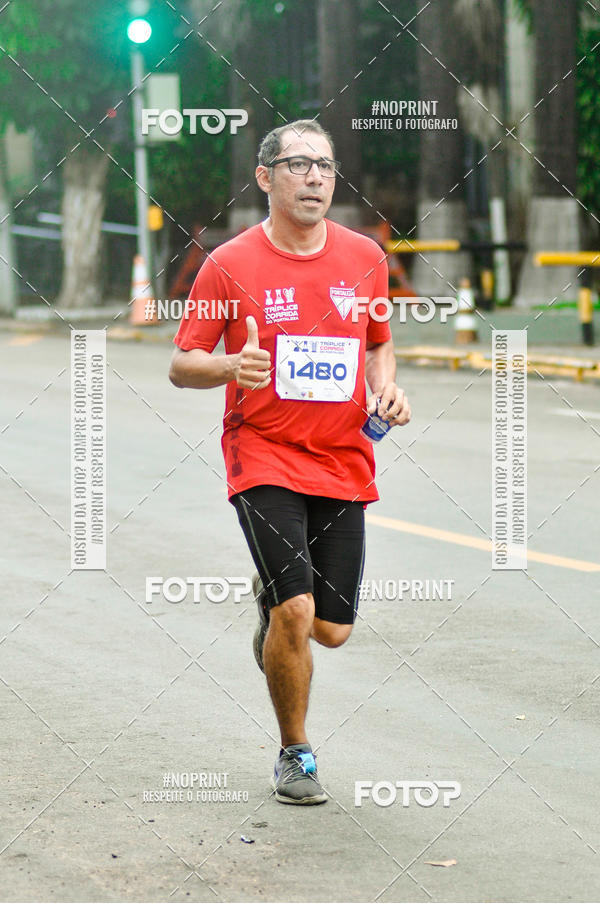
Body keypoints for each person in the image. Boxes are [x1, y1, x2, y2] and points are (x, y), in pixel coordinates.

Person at [169, 119, 411, 805]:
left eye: (325, 166)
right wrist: (228, 366)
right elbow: (183, 364)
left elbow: (378, 342)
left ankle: (272, 606)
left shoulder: (364, 257)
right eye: (299, 164)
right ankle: (295, 753)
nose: (315, 178)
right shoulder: (228, 264)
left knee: (331, 629)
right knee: (298, 610)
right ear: (265, 176)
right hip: (264, 454)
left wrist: (386, 388)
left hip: (343, 459)